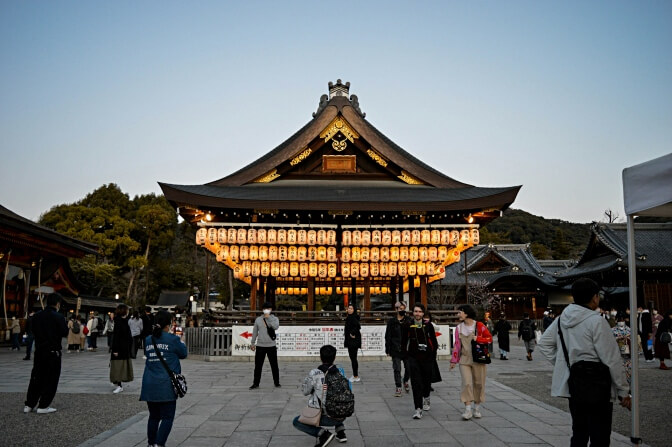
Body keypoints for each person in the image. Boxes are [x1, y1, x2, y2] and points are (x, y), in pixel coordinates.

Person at [538, 278, 631, 446]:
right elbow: (611, 359)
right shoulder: (597, 321)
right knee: (600, 435)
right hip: (598, 383)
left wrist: (566, 364)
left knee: (579, 432)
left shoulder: (561, 320)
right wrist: (623, 390)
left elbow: (544, 344)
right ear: (595, 297)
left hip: (575, 381)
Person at [140, 310, 188, 447]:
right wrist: (181, 341)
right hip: (166, 384)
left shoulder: (148, 339)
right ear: (168, 324)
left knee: (154, 416)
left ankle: (151, 443)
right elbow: (183, 354)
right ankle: (159, 444)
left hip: (149, 383)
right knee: (167, 417)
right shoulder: (172, 339)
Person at [293, 344, 349, 446]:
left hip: (326, 417)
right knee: (337, 399)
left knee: (296, 421)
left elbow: (305, 391)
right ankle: (341, 432)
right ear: (334, 357)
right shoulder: (341, 372)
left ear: (320, 357)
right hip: (343, 414)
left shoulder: (315, 373)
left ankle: (323, 434)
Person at [23, 293, 68, 414]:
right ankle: (43, 405)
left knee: (36, 377)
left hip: (39, 350)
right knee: (51, 379)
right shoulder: (59, 317)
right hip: (53, 351)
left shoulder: (37, 316)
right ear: (57, 304)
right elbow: (64, 332)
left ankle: (29, 404)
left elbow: (33, 330)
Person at [450, 304, 492, 420]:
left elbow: (490, 339)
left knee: (479, 383)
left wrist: (478, 339)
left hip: (478, 358)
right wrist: (454, 360)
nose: (458, 314)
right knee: (466, 383)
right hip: (464, 359)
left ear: (466, 313)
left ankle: (477, 408)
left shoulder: (479, 326)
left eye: (460, 312)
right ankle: (467, 410)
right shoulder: (459, 328)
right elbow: (457, 345)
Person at [401, 303, 438, 419]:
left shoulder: (428, 325)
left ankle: (426, 397)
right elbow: (403, 341)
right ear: (413, 313)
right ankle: (418, 408)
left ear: (423, 313)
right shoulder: (407, 325)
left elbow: (434, 342)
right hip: (413, 357)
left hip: (426, 357)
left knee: (426, 381)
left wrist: (432, 356)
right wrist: (405, 356)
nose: (417, 314)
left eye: (420, 311)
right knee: (416, 383)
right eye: (415, 311)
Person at [249, 301, 280, 389]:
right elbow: (255, 332)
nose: (267, 310)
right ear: (262, 310)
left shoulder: (274, 318)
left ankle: (277, 382)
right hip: (260, 346)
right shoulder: (258, 319)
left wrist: (268, 318)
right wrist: (252, 343)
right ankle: (256, 383)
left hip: (271, 345)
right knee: (258, 366)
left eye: (269, 309)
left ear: (271, 310)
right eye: (265, 309)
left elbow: (275, 327)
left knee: (274, 365)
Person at [385, 301, 411, 396]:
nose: (402, 310)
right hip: (395, 348)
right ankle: (398, 387)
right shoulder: (392, 321)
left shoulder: (408, 320)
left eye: (403, 308)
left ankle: (405, 380)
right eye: (400, 308)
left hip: (406, 348)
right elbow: (388, 336)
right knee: (397, 369)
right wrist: (387, 349)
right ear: (396, 309)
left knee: (409, 368)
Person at [110, 303, 133, 394]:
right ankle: (118, 384)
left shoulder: (124, 321)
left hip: (124, 347)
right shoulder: (119, 321)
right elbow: (116, 337)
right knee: (118, 367)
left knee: (119, 366)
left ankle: (118, 383)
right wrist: (115, 349)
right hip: (119, 348)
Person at [611, 312, 632, 385]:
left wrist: (628, 338)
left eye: (622, 320)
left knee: (629, 371)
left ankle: (629, 387)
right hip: (617, 354)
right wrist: (617, 338)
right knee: (618, 372)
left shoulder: (629, 330)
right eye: (620, 320)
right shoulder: (612, 330)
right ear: (616, 320)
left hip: (627, 354)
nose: (621, 321)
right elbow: (609, 341)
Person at [344, 303, 362, 382]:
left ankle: (355, 376)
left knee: (353, 358)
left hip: (353, 341)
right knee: (353, 358)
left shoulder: (353, 317)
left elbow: (358, 327)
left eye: (351, 308)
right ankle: (355, 375)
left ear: (354, 310)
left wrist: (352, 333)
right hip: (351, 340)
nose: (349, 310)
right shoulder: (350, 317)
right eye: (348, 308)